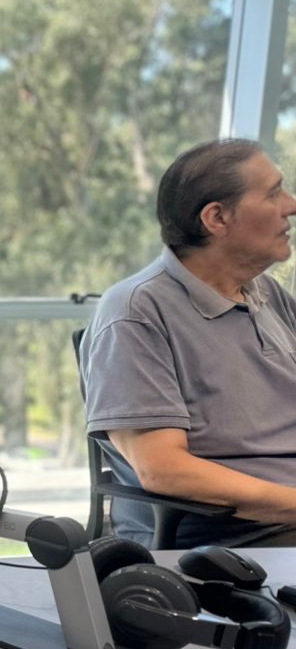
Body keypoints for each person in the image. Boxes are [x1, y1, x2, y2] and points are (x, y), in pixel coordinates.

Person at [80, 137, 296, 547]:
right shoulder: (135, 312)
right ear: (217, 218)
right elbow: (165, 471)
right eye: (273, 193)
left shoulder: (265, 293)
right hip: (240, 539)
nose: (291, 205)